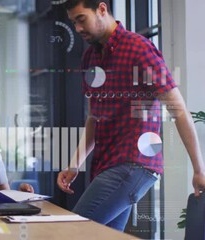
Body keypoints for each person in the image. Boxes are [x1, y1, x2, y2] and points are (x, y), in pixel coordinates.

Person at [56, 0, 205, 231]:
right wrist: (75, 164)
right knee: (102, 236)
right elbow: (94, 118)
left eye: (81, 19)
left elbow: (179, 110)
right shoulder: (90, 59)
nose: (78, 29)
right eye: (73, 23)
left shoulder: (139, 49)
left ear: (102, 9)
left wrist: (199, 169)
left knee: (73, 231)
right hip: (108, 164)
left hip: (134, 163)